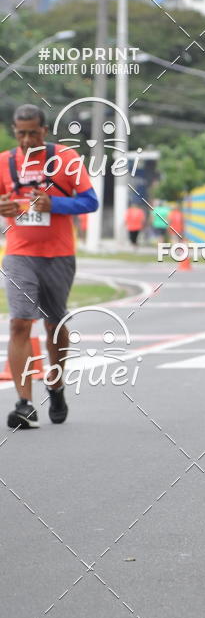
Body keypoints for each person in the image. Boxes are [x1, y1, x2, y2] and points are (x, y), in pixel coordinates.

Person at [0, 104, 98, 429]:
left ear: (45, 131)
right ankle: (24, 403)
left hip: (58, 255)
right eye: (21, 133)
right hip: (19, 253)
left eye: (33, 132)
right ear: (15, 130)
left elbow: (90, 201)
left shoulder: (66, 159)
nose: (27, 139)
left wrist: (54, 203)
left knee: (55, 324)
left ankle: (55, 386)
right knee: (19, 324)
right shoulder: (4, 162)